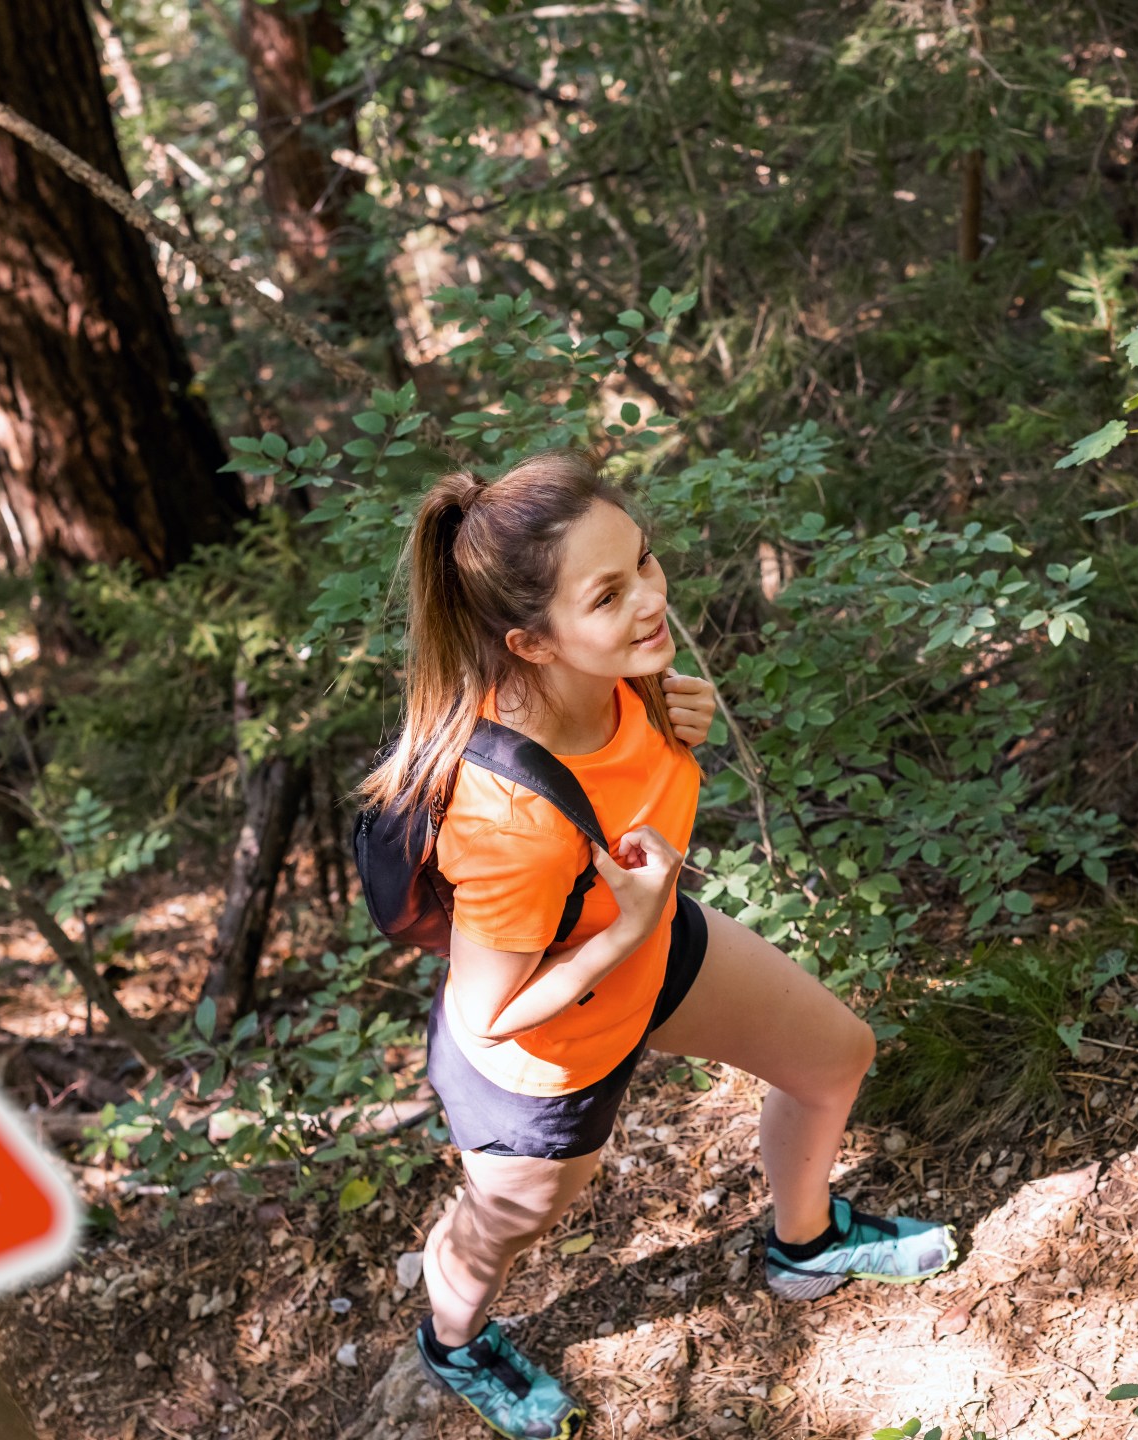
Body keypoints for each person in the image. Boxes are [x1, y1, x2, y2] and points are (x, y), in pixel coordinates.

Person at [359, 451, 953, 1439]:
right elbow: (487, 1014)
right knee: (503, 1228)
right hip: (544, 1058)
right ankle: (452, 1343)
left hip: (650, 955)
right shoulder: (506, 818)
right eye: (607, 594)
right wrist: (630, 922)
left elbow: (643, 816)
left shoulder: (630, 683)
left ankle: (804, 1245)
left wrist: (683, 733)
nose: (648, 601)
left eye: (642, 563)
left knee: (835, 1057)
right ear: (534, 645)